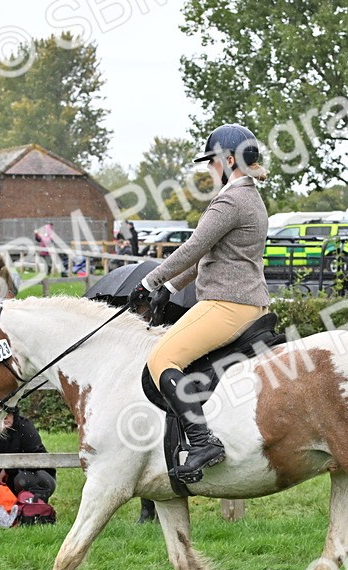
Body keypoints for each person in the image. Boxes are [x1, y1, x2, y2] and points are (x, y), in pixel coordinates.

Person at [129, 123, 270, 484]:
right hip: (246, 302)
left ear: (227, 159)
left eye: (211, 164)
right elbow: (206, 256)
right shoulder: (250, 197)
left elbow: (192, 247)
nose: (209, 171)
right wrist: (170, 287)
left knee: (162, 358)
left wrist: (148, 281)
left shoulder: (230, 200)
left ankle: (203, 441)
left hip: (227, 304)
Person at [0, 411, 57, 499]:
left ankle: (32, 509)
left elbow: (39, 458)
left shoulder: (24, 427)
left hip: (26, 475)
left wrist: (9, 469)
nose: (4, 418)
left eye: (8, 414)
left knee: (26, 479)